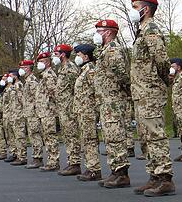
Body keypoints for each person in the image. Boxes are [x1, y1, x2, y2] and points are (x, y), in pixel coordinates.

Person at [129, 0, 176, 197]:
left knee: (155, 135)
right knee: (146, 136)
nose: (133, 10)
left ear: (145, 9)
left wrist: (165, 80)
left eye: (135, 6)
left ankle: (165, 178)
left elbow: (161, 60)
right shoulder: (142, 31)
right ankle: (154, 175)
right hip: (141, 93)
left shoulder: (151, 29)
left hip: (150, 92)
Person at [93, 19, 132, 189]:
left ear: (108, 32)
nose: (97, 35)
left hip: (114, 102)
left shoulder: (113, 50)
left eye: (99, 31)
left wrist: (122, 94)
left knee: (116, 138)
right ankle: (115, 171)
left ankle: (122, 174)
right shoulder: (105, 51)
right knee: (110, 138)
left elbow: (123, 76)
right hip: (107, 102)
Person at [73, 43, 103, 182]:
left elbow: (96, 89)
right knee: (86, 140)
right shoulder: (83, 70)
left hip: (89, 111)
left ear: (85, 56)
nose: (76, 57)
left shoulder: (91, 70)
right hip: (82, 111)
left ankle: (94, 169)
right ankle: (90, 167)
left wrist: (96, 110)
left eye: (78, 55)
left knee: (90, 140)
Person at [54, 44, 82, 176]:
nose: (55, 57)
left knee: (72, 135)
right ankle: (72, 162)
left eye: (56, 54)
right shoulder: (62, 69)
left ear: (62, 54)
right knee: (68, 136)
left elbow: (75, 89)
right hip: (63, 108)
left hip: (69, 108)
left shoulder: (70, 68)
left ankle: (75, 163)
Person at [34, 51, 61, 172]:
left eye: (42, 62)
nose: (39, 64)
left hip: (48, 111)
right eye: (39, 62)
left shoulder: (49, 75)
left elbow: (54, 93)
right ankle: (51, 160)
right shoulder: (44, 75)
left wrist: (54, 109)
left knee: (50, 137)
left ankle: (54, 161)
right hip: (43, 111)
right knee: (47, 137)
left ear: (48, 62)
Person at [19, 59, 45, 169]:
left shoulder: (32, 81)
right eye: (21, 68)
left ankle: (38, 158)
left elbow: (37, 98)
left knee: (35, 135)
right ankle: (36, 157)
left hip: (33, 113)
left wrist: (36, 112)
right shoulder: (27, 81)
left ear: (29, 68)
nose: (22, 70)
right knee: (32, 135)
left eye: (24, 68)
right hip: (29, 113)